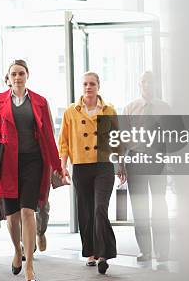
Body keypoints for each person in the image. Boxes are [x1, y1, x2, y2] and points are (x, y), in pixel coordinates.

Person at [0, 60, 66, 281]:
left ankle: (29, 265)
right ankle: (17, 251)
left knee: (28, 211)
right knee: (12, 216)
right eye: (14, 74)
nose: (17, 77)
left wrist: (58, 166)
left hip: (33, 162)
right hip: (6, 164)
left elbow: (48, 136)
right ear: (8, 78)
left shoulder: (39, 101)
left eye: (21, 73)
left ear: (27, 76)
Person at [58, 71, 125, 274]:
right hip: (80, 166)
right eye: (85, 84)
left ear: (98, 86)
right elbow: (64, 141)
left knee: (100, 209)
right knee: (86, 211)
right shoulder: (72, 111)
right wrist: (63, 165)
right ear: (82, 86)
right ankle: (91, 252)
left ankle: (104, 254)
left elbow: (116, 139)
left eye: (92, 84)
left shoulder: (108, 110)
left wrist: (121, 163)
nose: (89, 87)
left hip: (103, 166)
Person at [123, 71, 171, 267]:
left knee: (160, 205)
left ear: (156, 84)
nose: (147, 84)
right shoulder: (130, 108)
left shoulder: (165, 108)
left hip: (158, 161)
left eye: (150, 81)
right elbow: (123, 138)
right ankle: (145, 249)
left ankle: (163, 251)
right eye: (144, 81)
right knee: (139, 206)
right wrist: (120, 165)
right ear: (139, 84)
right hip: (136, 162)